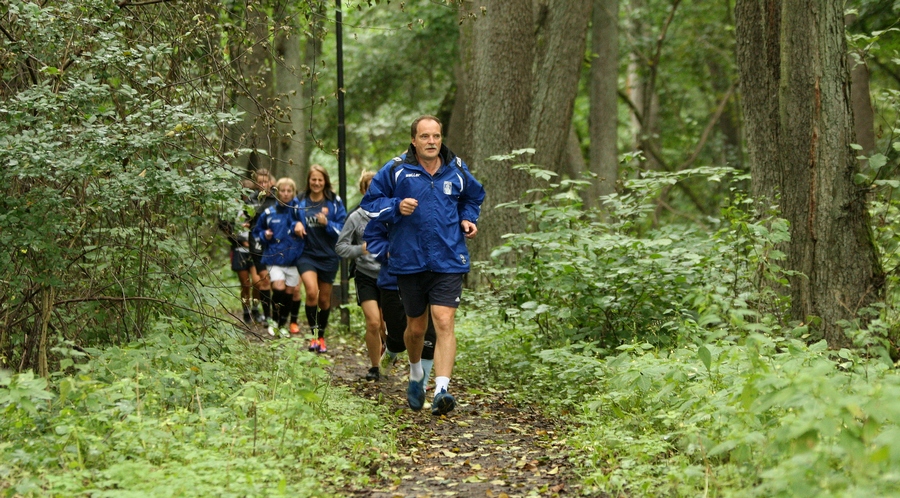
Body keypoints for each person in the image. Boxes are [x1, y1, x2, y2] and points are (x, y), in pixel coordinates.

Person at [360, 115, 485, 416]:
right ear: (414, 140)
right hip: (410, 261)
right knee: (416, 329)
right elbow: (369, 204)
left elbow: (473, 197)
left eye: (437, 136)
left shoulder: (456, 169)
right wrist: (395, 207)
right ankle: (416, 373)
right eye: (425, 137)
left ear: (441, 139)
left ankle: (442, 390)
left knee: (443, 322)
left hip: (448, 258)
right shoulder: (396, 170)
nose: (432, 142)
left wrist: (468, 218)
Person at [363, 213, 438, 388]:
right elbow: (373, 240)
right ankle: (389, 354)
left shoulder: (434, 203)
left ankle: (420, 386)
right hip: (392, 282)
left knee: (428, 336)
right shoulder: (389, 208)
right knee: (397, 338)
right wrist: (388, 252)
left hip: (426, 280)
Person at [336, 171, 386, 380]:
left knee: (386, 325)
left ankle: (386, 348)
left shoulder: (391, 214)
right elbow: (341, 247)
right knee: (373, 322)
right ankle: (375, 367)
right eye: (369, 187)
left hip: (390, 275)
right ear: (363, 190)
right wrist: (361, 249)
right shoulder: (356, 217)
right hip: (365, 275)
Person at [293, 165, 347, 353]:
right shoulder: (299, 200)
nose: (316, 183)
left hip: (329, 256)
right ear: (309, 181)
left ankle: (321, 336)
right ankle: (313, 336)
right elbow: (288, 218)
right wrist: (296, 223)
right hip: (306, 254)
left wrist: (327, 224)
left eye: (320, 180)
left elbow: (343, 228)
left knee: (324, 300)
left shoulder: (334, 202)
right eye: (313, 179)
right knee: (311, 292)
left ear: (325, 181)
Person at [252, 177, 305, 336]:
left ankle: (283, 323)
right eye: (283, 191)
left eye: (289, 191)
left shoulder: (298, 211)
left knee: (290, 292)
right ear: (277, 192)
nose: (286, 194)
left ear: (294, 193)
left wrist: (300, 225)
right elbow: (256, 232)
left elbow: (307, 231)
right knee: (278, 287)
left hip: (294, 259)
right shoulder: (269, 212)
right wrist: (264, 235)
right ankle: (273, 320)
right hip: (274, 257)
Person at [246, 169, 278, 324]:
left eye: (266, 182)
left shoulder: (278, 198)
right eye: (260, 182)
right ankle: (267, 316)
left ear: (271, 182)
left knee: (276, 281)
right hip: (257, 243)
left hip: (275, 243)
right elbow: (246, 219)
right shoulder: (251, 200)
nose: (263, 185)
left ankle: (279, 314)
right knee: (263, 280)